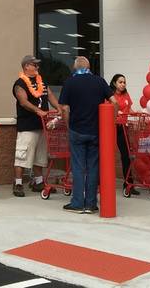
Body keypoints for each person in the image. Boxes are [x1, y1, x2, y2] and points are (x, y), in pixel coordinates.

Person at [58, 56, 113, 213]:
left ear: (75, 67)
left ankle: (77, 203)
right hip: (96, 131)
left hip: (77, 130)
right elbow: (114, 101)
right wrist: (111, 122)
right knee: (93, 167)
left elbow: (65, 109)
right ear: (89, 67)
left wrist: (69, 125)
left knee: (78, 167)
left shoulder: (70, 82)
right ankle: (90, 204)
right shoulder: (99, 81)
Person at [12, 55, 61, 197]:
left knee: (40, 155)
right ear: (26, 66)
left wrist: (58, 107)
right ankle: (18, 183)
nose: (37, 67)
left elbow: (49, 95)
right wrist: (38, 110)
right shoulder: (20, 83)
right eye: (35, 65)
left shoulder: (42, 82)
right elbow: (23, 101)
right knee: (22, 155)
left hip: (42, 125)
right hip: (27, 125)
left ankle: (38, 182)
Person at [110, 73, 139, 195]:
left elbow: (130, 110)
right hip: (113, 127)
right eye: (120, 82)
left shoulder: (126, 95)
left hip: (124, 127)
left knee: (126, 155)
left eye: (124, 82)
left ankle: (128, 184)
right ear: (114, 83)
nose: (123, 84)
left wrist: (137, 115)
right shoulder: (110, 96)